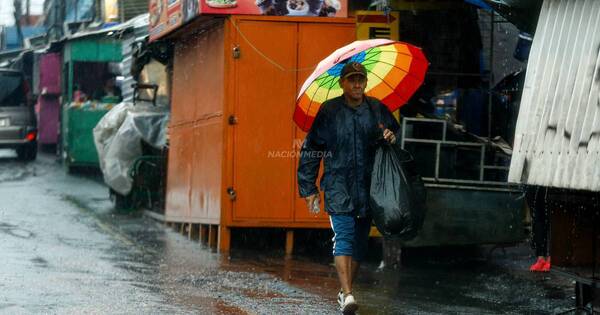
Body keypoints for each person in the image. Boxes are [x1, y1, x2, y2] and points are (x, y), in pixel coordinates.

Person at [297, 62, 399, 313]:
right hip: (338, 184)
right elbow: (312, 149)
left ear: (366, 82)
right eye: (351, 80)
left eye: (360, 79)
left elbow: (394, 133)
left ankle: (344, 292)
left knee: (359, 245)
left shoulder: (376, 109)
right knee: (343, 237)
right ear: (342, 83)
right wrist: (308, 188)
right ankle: (350, 294)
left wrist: (390, 136)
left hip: (368, 186)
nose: (357, 84)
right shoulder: (329, 112)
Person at [527, 186, 551, 272]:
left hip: (547, 183)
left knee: (550, 218)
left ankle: (551, 257)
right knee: (536, 219)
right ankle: (541, 257)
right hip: (532, 183)